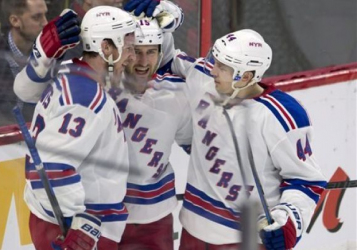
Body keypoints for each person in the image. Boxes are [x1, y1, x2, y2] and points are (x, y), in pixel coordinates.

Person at [124, 1, 327, 250]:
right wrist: (167, 14)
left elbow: (307, 181)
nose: (213, 69)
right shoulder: (203, 76)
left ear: (248, 76)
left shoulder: (282, 115)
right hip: (193, 231)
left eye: (223, 66)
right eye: (216, 61)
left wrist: (289, 223)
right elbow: (162, 62)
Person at [19, 6, 136, 250]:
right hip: (76, 229)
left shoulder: (70, 71)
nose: (132, 56)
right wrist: (80, 229)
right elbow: (53, 168)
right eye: (127, 47)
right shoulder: (86, 98)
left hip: (61, 221)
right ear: (106, 47)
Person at [109, 18, 192, 250]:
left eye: (151, 52)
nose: (143, 62)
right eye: (136, 52)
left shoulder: (176, 93)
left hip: (156, 219)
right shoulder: (100, 90)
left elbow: (195, 145)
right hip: (105, 216)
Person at [0, 0, 48, 130]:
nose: (45, 23)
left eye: (45, 15)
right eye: (37, 17)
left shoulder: (50, 56)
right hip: (1, 143)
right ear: (15, 21)